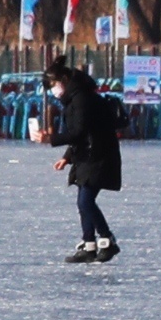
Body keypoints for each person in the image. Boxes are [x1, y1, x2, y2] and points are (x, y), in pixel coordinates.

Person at [43, 61, 123, 263]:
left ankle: (106, 239)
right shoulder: (75, 98)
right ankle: (89, 244)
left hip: (97, 156)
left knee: (85, 201)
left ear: (64, 80)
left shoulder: (81, 99)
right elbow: (83, 132)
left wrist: (51, 139)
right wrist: (67, 157)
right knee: (83, 202)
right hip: (86, 155)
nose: (53, 90)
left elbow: (79, 131)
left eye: (53, 84)